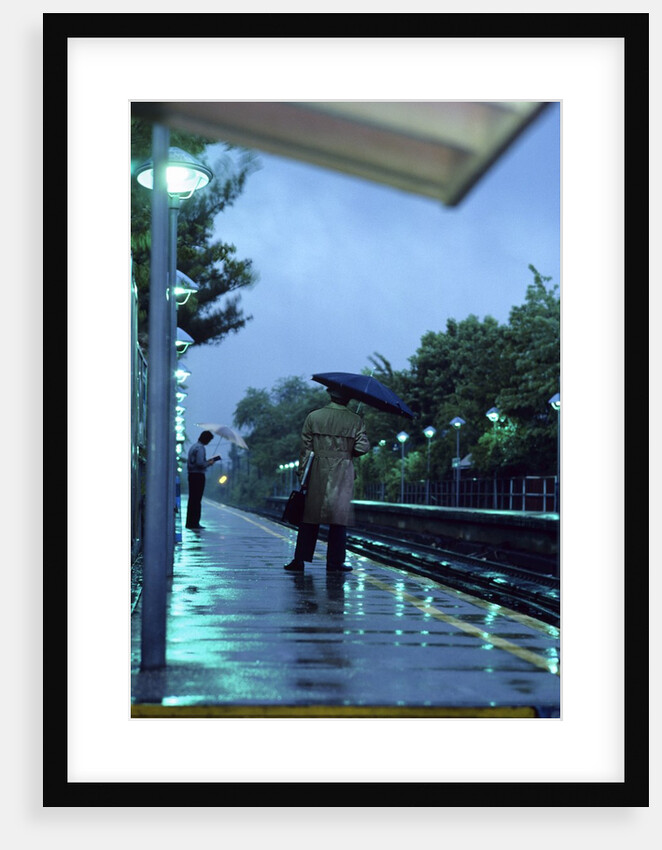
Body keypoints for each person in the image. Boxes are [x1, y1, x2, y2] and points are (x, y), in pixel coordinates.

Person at [284, 388, 370, 573]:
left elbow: (306, 450)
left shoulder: (314, 417)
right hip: (343, 471)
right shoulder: (355, 420)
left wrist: (303, 475)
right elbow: (362, 447)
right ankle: (335, 563)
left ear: (330, 395)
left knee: (309, 517)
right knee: (339, 518)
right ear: (348, 399)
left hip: (317, 470)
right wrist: (348, 449)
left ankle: (299, 560)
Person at [185, 430, 220, 530]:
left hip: (191, 475)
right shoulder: (200, 448)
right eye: (209, 440)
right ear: (206, 439)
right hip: (198, 476)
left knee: (192, 499)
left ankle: (190, 522)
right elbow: (200, 463)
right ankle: (195, 522)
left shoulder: (193, 447)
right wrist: (209, 463)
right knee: (197, 500)